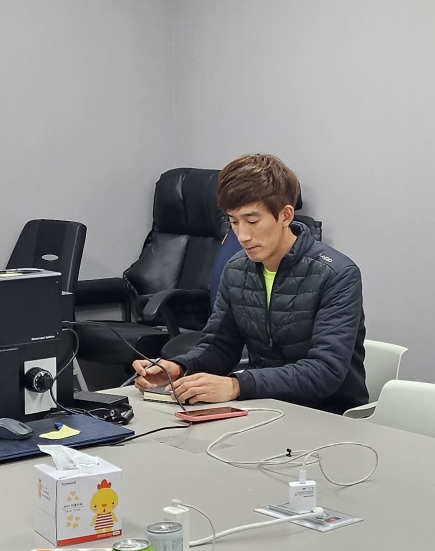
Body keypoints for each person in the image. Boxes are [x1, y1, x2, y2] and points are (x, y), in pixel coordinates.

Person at [132, 153, 369, 413]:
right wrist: (179, 367)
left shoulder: (337, 274)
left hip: (329, 416)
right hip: (265, 408)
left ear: (285, 215)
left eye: (253, 221)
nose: (242, 236)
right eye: (234, 221)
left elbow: (325, 371)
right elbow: (220, 346)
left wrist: (237, 386)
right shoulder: (236, 269)